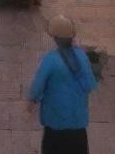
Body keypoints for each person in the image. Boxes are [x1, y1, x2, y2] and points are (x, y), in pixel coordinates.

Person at [28, 15, 97, 154]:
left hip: (55, 122)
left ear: (55, 39)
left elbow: (38, 85)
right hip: (77, 123)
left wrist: (32, 100)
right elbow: (90, 84)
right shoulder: (82, 56)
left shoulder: (50, 60)